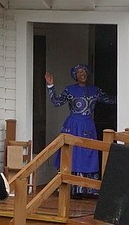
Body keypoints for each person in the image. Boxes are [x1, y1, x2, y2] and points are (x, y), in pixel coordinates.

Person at [45, 64, 116, 198]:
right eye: (78, 72)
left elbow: (111, 100)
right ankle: (72, 189)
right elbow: (56, 102)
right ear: (75, 76)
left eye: (83, 71)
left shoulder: (95, 90)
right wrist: (50, 86)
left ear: (87, 74)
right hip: (73, 125)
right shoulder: (70, 90)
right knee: (73, 154)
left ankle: (88, 190)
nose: (81, 74)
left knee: (88, 154)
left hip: (88, 125)